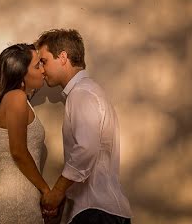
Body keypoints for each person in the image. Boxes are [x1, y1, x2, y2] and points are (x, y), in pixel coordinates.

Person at [36, 29, 133, 224]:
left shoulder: (82, 94)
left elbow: (86, 148)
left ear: (63, 57)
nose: (41, 69)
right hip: (101, 211)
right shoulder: (89, 91)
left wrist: (57, 192)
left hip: (96, 213)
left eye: (44, 61)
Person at [0, 43, 59, 224]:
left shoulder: (17, 100)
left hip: (21, 196)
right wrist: (46, 191)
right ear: (21, 72)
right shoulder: (16, 98)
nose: (42, 70)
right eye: (37, 65)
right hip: (16, 199)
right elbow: (18, 151)